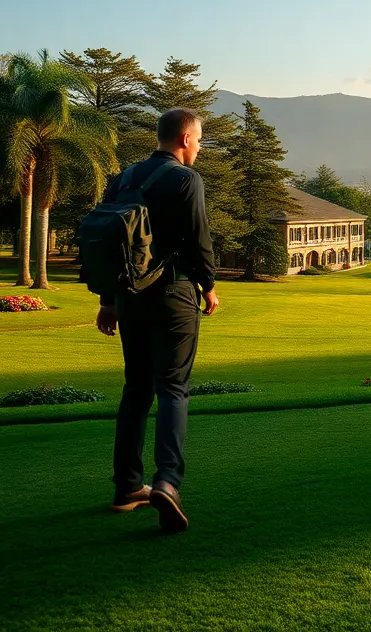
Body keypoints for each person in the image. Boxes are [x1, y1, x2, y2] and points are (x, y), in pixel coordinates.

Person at [96, 108, 219, 532]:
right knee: (172, 388)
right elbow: (200, 239)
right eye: (199, 139)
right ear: (185, 138)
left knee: (136, 389)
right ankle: (167, 482)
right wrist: (208, 286)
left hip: (128, 298)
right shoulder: (186, 180)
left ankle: (128, 487)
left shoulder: (125, 177)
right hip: (173, 293)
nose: (200, 147)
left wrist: (107, 300)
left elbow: (107, 242)